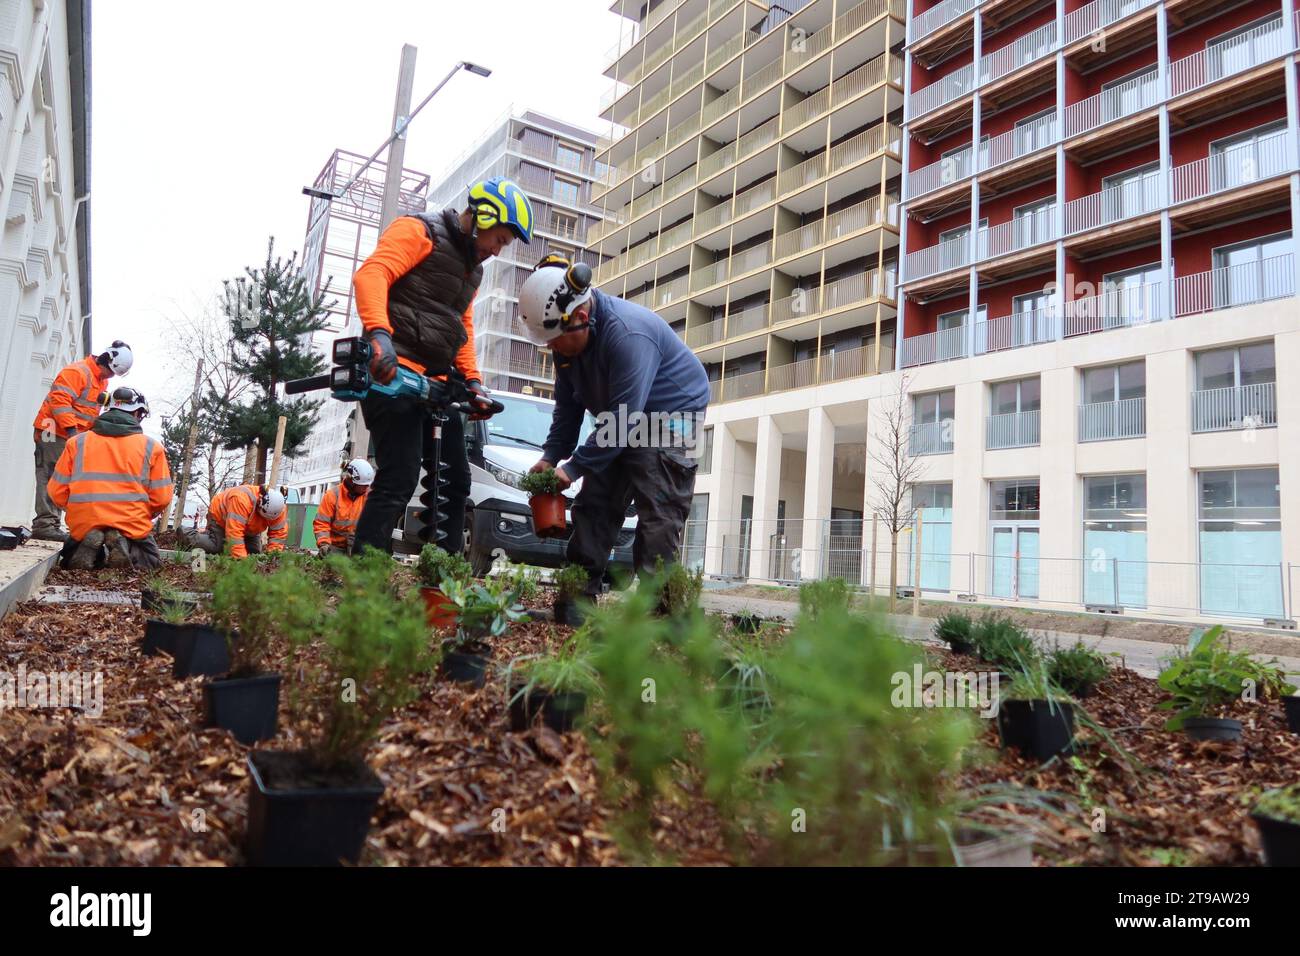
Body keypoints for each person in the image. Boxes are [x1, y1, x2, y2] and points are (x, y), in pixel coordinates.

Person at [349, 177, 532, 557]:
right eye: (499, 239)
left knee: (456, 481)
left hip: (436, 384)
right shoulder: (419, 231)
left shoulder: (472, 269)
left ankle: (444, 576)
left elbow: (460, 322)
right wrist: (379, 335)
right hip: (393, 373)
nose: (498, 251)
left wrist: (474, 382)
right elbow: (372, 274)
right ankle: (363, 579)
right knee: (399, 476)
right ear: (483, 217)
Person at [517, 256, 710, 600]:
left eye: (554, 339)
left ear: (580, 317)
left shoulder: (628, 334)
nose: (550, 347)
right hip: (622, 416)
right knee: (595, 503)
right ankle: (577, 599)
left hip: (675, 418)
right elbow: (568, 409)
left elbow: (623, 420)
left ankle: (660, 611)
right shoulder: (567, 349)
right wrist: (550, 457)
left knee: (659, 515)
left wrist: (573, 469)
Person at [47, 387, 172, 570]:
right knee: (149, 562)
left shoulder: (77, 443)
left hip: (85, 519)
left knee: (74, 549)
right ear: (137, 412)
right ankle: (124, 545)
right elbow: (162, 498)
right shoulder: (152, 447)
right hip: (131, 521)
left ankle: (88, 547)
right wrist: (144, 513)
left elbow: (56, 491)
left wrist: (78, 508)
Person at [31, 341, 134, 541]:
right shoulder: (77, 372)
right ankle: (45, 525)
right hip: (51, 430)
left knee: (63, 479)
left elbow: (88, 412)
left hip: (69, 434)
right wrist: (72, 431)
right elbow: (59, 400)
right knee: (51, 474)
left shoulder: (101, 380)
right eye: (110, 372)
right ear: (106, 359)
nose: (110, 376)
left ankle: (51, 523)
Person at [189, 484, 287, 558]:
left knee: (254, 552)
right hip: (220, 517)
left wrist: (272, 557)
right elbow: (234, 533)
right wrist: (241, 561)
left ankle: (211, 536)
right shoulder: (241, 500)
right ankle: (186, 534)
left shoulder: (279, 509)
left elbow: (278, 535)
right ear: (260, 501)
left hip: (250, 527)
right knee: (217, 548)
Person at [313, 458, 374, 556]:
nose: (367, 488)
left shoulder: (368, 497)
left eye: (367, 485)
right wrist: (324, 544)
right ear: (352, 481)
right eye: (363, 485)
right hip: (334, 546)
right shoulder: (332, 495)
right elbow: (322, 523)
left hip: (357, 545)